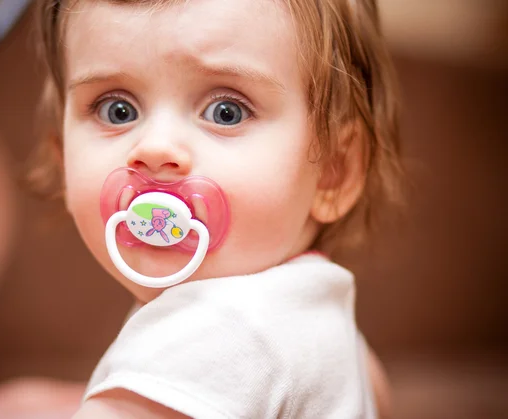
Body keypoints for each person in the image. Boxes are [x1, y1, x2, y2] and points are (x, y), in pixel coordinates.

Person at [31, 0, 402, 417]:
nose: (155, 148)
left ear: (333, 171)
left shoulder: (212, 338)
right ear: (63, 157)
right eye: (117, 109)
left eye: (226, 112)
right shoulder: (340, 338)